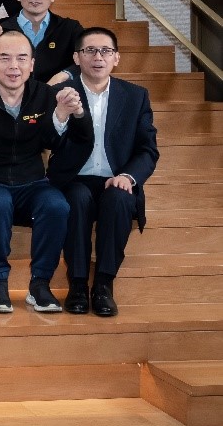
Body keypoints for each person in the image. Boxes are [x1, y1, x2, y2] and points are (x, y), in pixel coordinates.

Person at [0, 30, 91, 313]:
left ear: (32, 64)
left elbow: (51, 142)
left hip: (31, 181)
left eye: (21, 58)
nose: (13, 66)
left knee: (57, 205)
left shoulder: (44, 94)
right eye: (4, 58)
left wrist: (61, 115)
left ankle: (40, 284)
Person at [48, 28, 159, 317]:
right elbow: (47, 141)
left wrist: (128, 177)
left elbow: (147, 149)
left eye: (106, 51)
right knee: (76, 199)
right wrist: (60, 116)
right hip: (74, 177)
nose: (98, 57)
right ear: (77, 58)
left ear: (116, 58)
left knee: (120, 199)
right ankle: (77, 284)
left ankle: (104, 285)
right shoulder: (61, 93)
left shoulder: (135, 96)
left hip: (116, 177)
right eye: (90, 50)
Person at [0, 0, 84, 82]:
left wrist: (63, 75)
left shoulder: (70, 29)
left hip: (57, 92)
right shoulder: (1, 29)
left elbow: (87, 59)